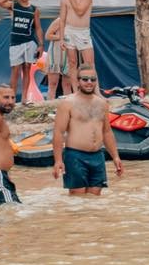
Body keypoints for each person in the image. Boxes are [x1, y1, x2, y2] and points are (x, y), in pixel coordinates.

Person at [52, 65, 124, 195]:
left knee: (94, 199)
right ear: (78, 81)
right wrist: (58, 160)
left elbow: (107, 131)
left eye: (92, 79)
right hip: (75, 156)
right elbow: (58, 132)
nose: (89, 82)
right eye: (85, 79)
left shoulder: (102, 104)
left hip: (97, 156)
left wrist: (115, 156)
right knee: (77, 197)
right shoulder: (68, 103)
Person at [0, 0, 44, 105]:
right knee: (15, 70)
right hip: (16, 42)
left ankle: (24, 98)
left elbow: (38, 28)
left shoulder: (34, 9)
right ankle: (11, 99)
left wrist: (41, 44)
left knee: (27, 69)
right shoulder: (14, 6)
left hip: (29, 41)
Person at [60, 0, 94, 91]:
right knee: (72, 63)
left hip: (83, 31)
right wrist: (61, 38)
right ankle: (75, 91)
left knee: (89, 64)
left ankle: (95, 91)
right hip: (69, 31)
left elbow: (80, 12)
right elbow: (62, 19)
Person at [43, 17, 72, 100]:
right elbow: (47, 36)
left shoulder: (76, 22)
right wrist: (62, 37)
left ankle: (68, 107)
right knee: (52, 84)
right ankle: (50, 107)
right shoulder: (59, 20)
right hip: (56, 54)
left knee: (67, 85)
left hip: (69, 55)